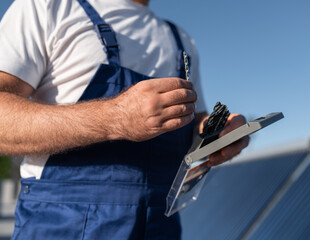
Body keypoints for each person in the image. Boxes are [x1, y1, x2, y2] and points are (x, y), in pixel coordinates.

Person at [0, 0, 249, 239]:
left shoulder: (181, 39)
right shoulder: (49, 7)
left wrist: (218, 133)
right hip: (62, 223)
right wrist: (116, 117)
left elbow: (195, 124)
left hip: (162, 224)